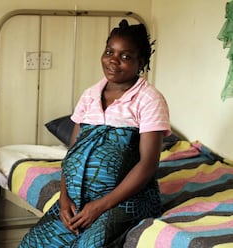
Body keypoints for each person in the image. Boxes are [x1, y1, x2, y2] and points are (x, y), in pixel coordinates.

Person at [19, 19, 171, 247]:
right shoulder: (90, 95)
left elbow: (147, 165)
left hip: (126, 201)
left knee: (90, 243)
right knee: (32, 243)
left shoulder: (149, 99)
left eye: (125, 56)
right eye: (109, 51)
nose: (113, 60)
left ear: (141, 62)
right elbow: (73, 154)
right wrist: (64, 198)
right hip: (77, 198)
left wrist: (100, 206)